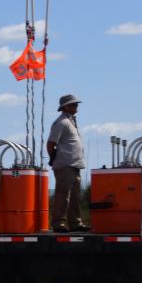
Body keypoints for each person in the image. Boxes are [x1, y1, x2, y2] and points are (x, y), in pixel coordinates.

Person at [46, 94, 90, 233]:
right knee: (63, 195)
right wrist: (54, 158)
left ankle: (75, 223)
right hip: (65, 164)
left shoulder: (70, 121)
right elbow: (51, 143)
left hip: (74, 164)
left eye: (76, 104)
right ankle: (58, 224)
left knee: (75, 195)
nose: (76, 107)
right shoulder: (61, 122)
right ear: (65, 107)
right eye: (73, 104)